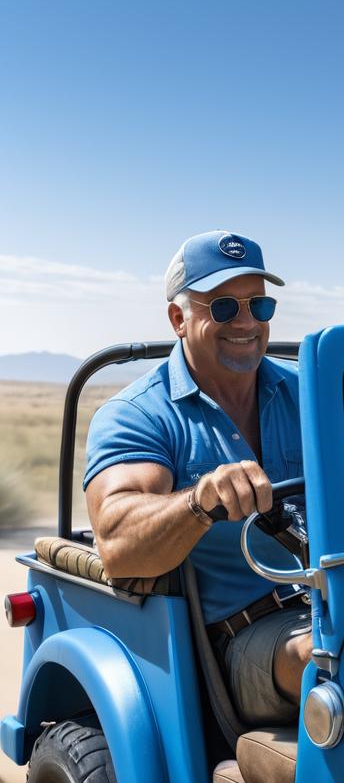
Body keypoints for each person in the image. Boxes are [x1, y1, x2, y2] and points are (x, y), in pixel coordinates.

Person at [84, 231, 311, 727]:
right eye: (225, 307)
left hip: (342, 601)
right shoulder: (139, 414)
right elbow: (118, 543)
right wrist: (199, 501)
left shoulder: (308, 394)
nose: (247, 322)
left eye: (260, 306)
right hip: (243, 637)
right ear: (178, 319)